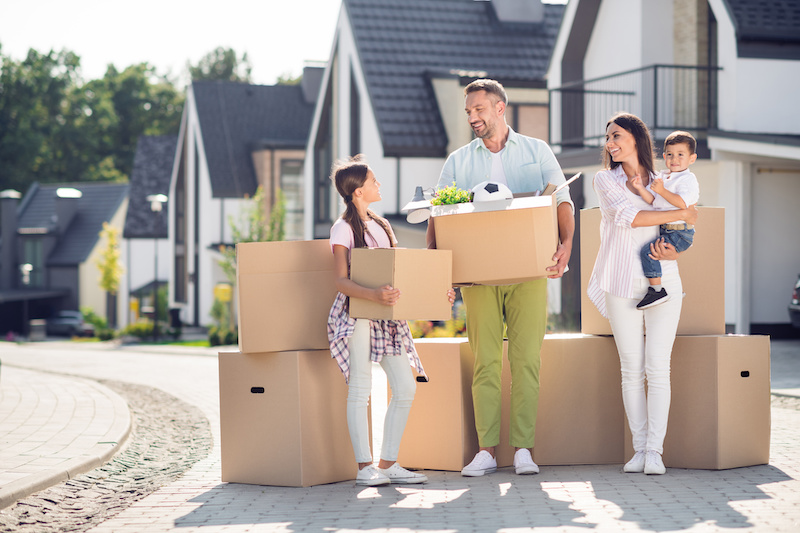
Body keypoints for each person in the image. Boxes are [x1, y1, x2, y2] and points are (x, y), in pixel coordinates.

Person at [427, 79, 575, 477]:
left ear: (499, 108)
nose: (473, 117)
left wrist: (566, 246)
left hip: (529, 272)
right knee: (486, 362)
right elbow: (438, 216)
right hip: (478, 278)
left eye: (479, 110)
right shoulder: (458, 161)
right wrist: (438, 270)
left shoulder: (536, 150)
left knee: (527, 360)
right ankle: (487, 452)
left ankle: (524, 449)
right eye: (468, 112)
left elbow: (562, 198)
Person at [327, 155, 455, 486]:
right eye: (373, 181)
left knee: (405, 387)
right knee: (360, 388)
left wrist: (438, 291)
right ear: (357, 191)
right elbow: (341, 281)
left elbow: (400, 275)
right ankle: (363, 468)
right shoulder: (343, 228)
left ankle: (387, 464)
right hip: (357, 314)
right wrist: (373, 296)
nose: (378, 184)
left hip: (387, 317)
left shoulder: (383, 225)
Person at [588, 113, 699, 475]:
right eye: (608, 138)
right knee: (631, 371)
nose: (610, 143)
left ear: (636, 137)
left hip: (664, 281)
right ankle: (638, 449)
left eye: (616, 136)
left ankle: (655, 452)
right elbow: (630, 218)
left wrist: (679, 235)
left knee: (658, 369)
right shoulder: (605, 179)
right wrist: (682, 213)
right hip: (621, 282)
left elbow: (684, 227)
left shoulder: (665, 180)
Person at [630, 131, 700, 309]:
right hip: (668, 228)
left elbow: (683, 203)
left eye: (680, 155)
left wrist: (662, 190)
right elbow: (654, 200)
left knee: (648, 252)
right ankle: (672, 291)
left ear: (692, 159)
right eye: (670, 154)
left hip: (679, 231)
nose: (674, 159)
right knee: (657, 253)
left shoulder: (687, 179)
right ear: (664, 156)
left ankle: (657, 290)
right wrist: (639, 187)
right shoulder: (664, 178)